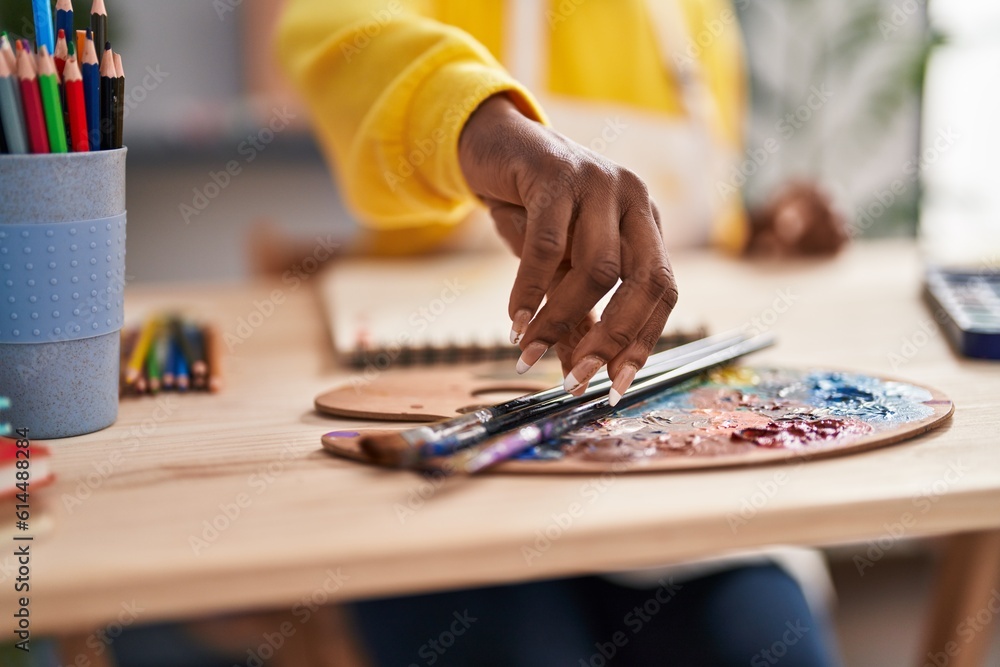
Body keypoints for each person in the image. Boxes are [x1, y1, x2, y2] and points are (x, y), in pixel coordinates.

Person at [276, 1, 844, 665]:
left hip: (665, 471)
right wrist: (477, 120)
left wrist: (758, 230)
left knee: (772, 648)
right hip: (448, 477)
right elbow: (325, 32)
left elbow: (689, 229)